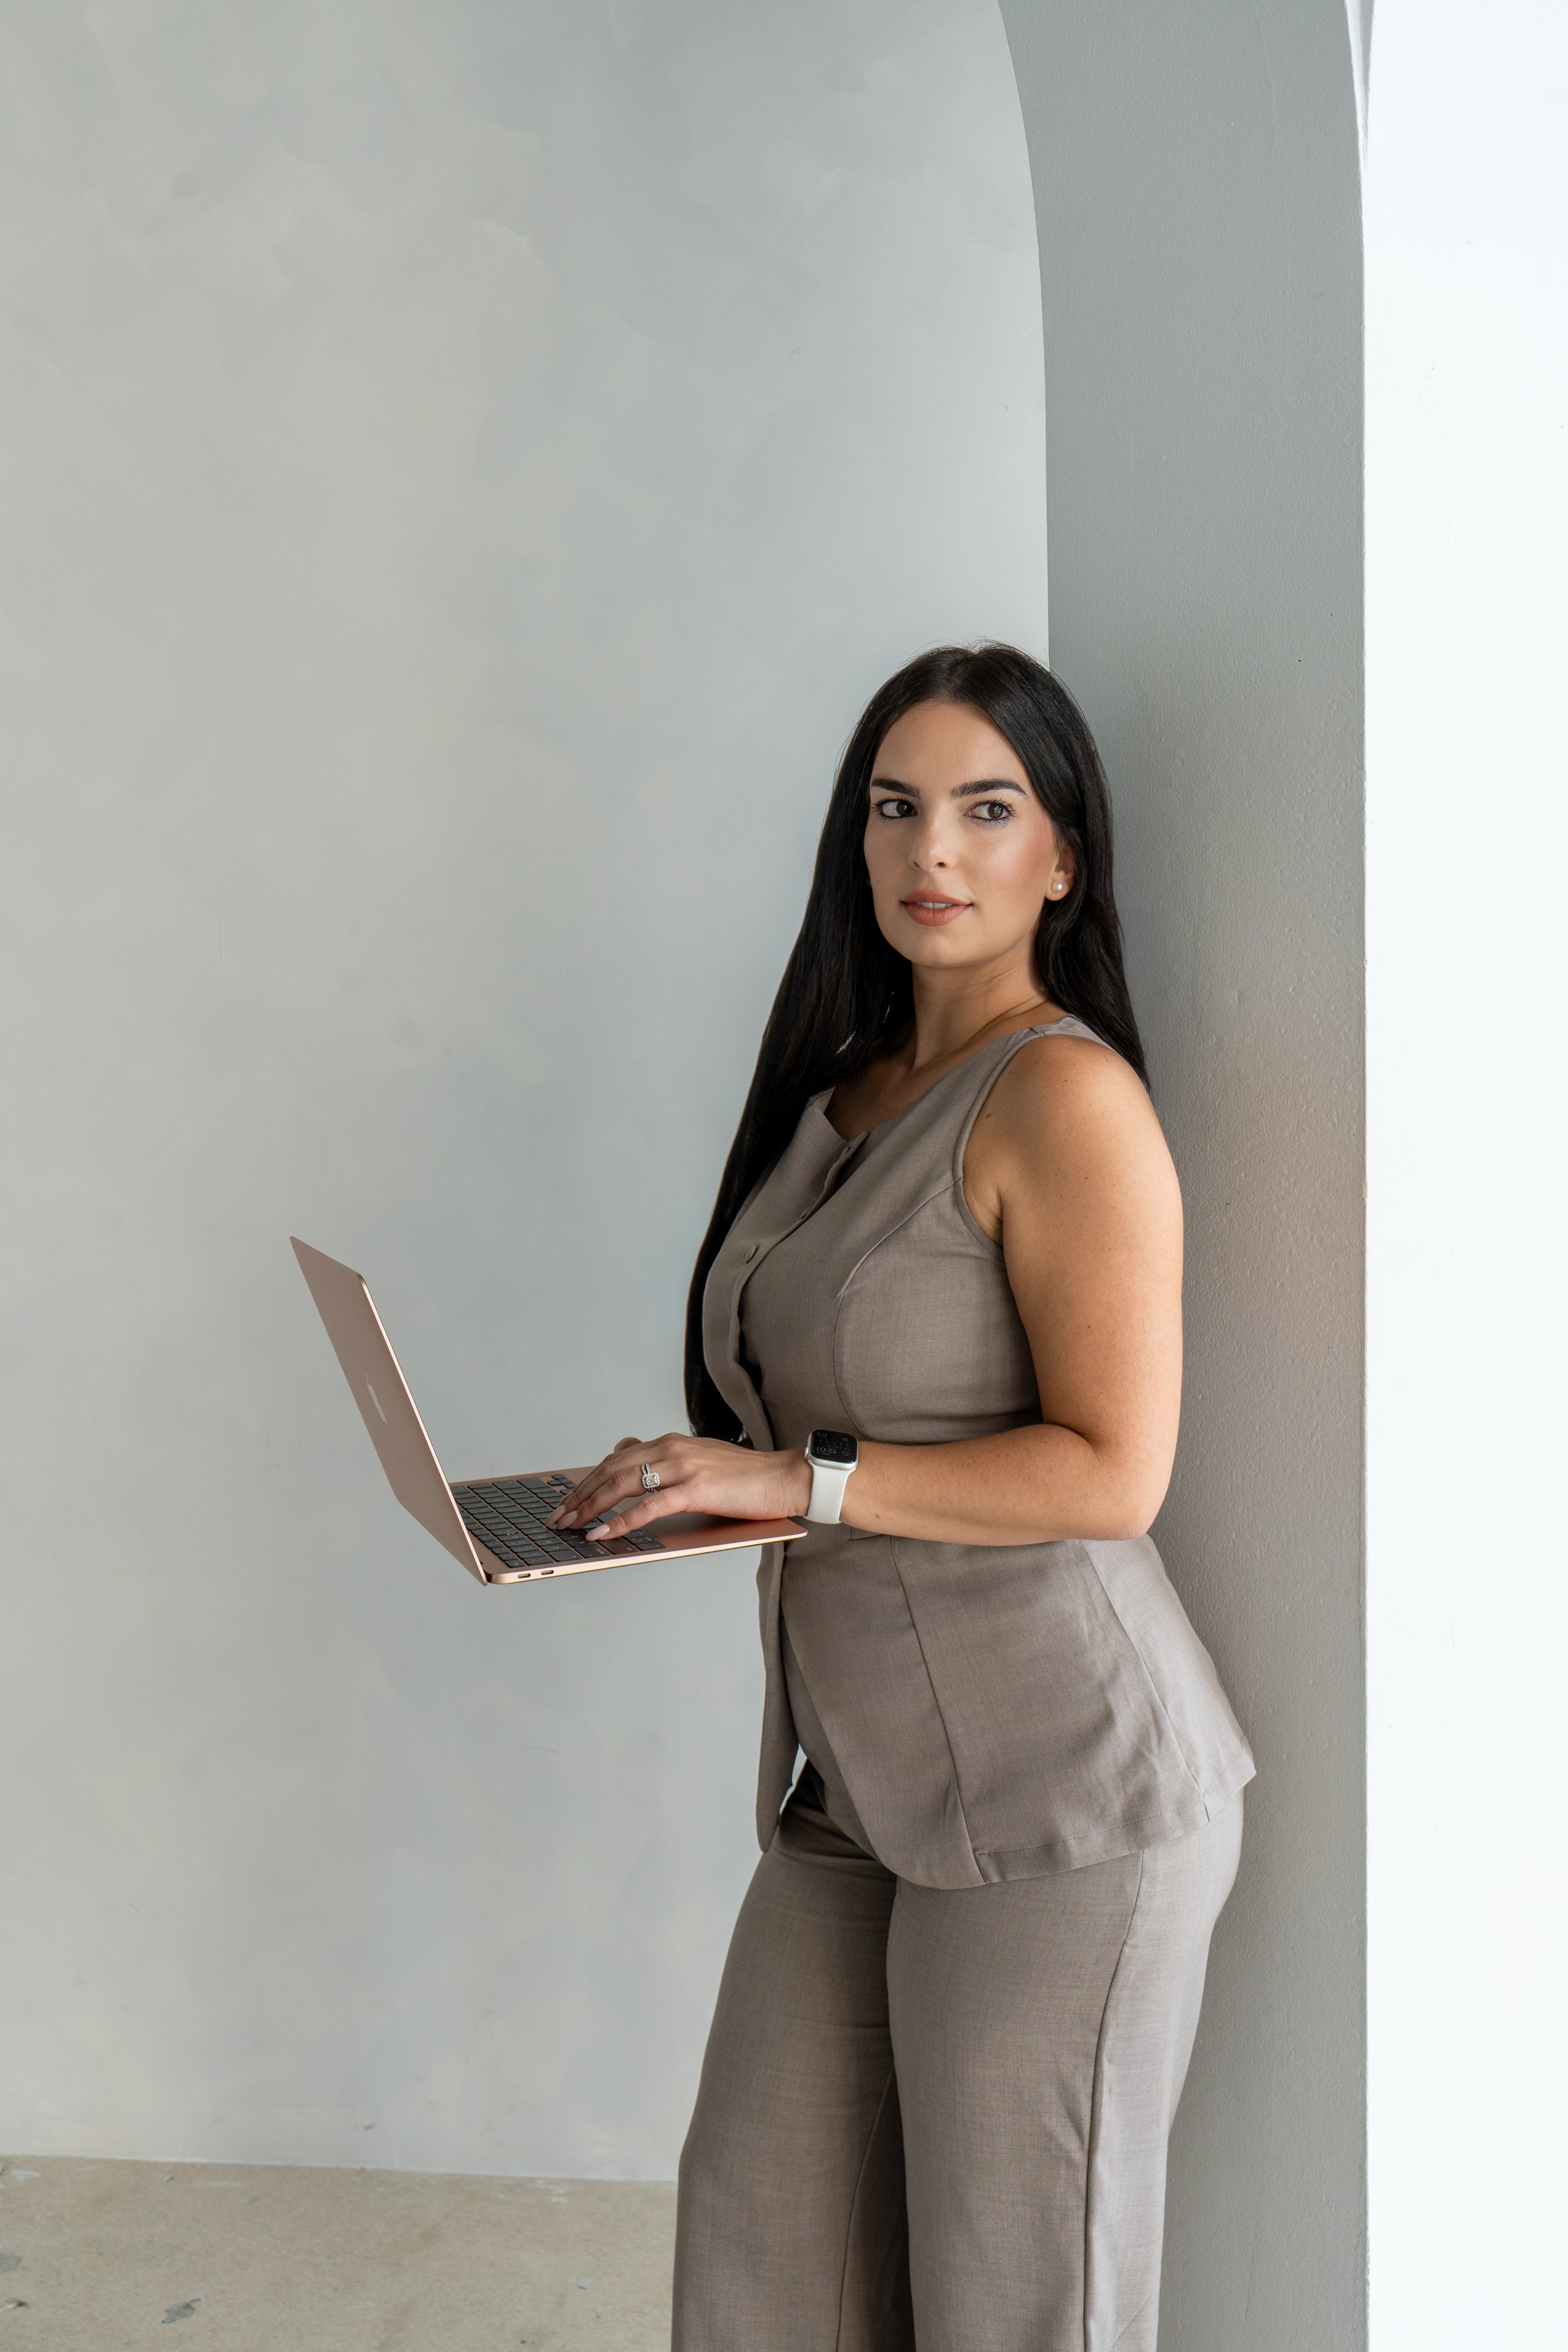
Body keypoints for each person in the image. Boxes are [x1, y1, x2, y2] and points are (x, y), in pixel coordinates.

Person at [551, 645, 1254, 2352]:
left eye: (984, 809)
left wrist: (794, 1479)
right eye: (894, 807)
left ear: (1061, 856)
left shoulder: (1063, 1098)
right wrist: (680, 1481)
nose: (929, 849)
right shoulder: (842, 1098)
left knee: (1020, 2309)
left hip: (1062, 1797)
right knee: (762, 2261)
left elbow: (1111, 1468)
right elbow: (800, 1414)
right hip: (857, 1784)